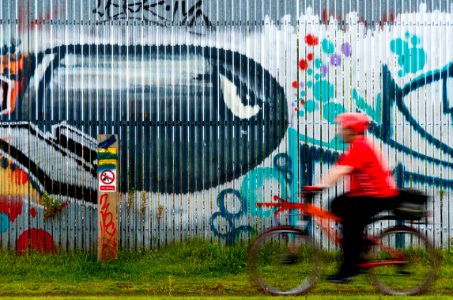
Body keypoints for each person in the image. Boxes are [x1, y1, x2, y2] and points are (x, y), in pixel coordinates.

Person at [304, 112, 400, 283]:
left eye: (343, 127)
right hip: (366, 194)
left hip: (378, 195)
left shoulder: (361, 147)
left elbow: (341, 171)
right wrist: (317, 187)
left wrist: (317, 188)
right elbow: (337, 169)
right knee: (337, 204)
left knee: (349, 223)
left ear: (352, 129)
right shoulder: (357, 146)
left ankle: (349, 268)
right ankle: (358, 246)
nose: (340, 131)